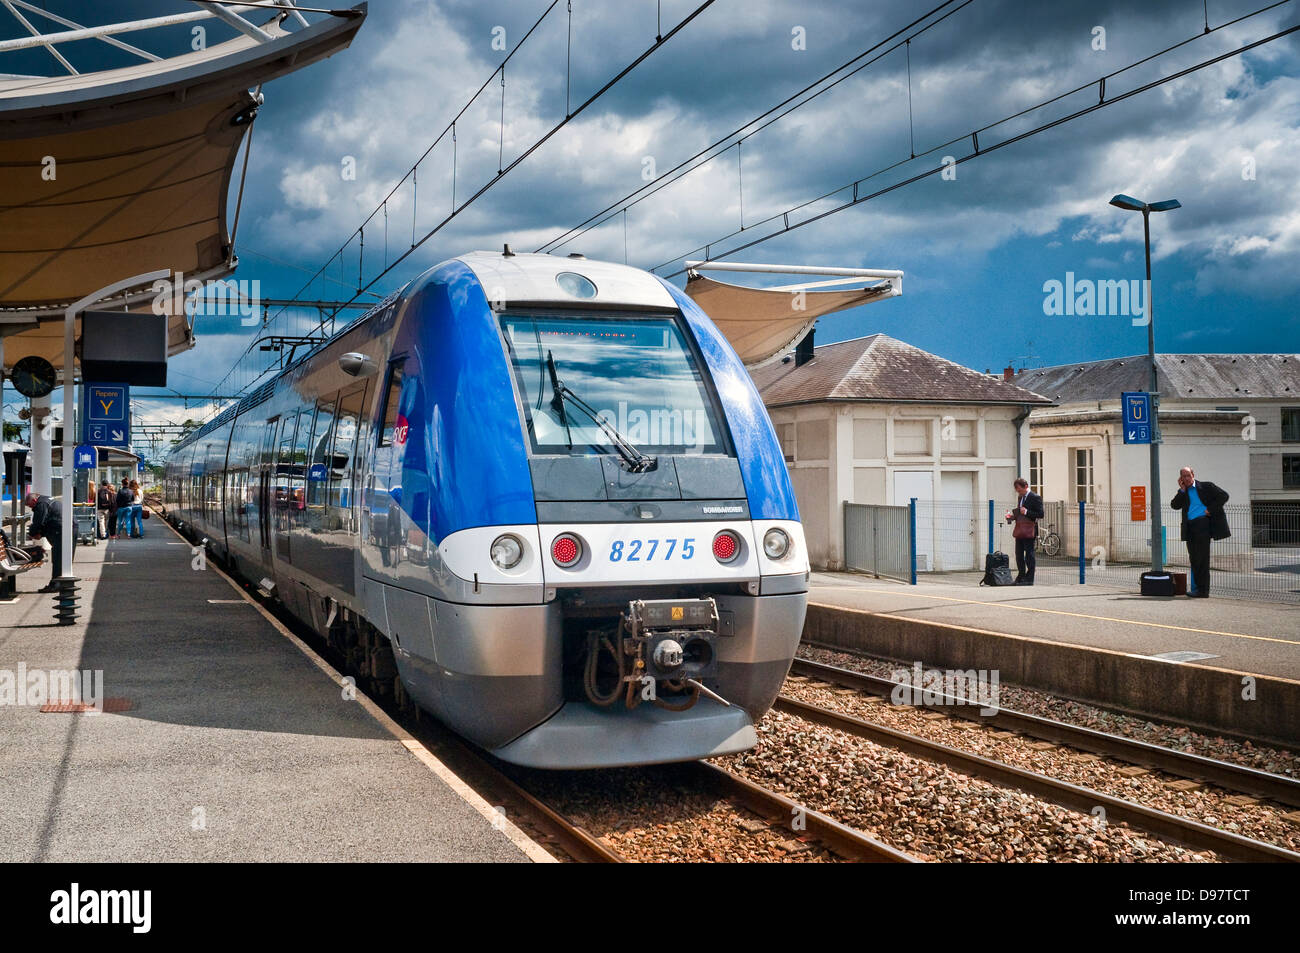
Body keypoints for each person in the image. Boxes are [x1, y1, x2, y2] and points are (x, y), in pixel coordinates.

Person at [1171, 466, 1230, 598]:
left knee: (1203, 559)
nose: (1186, 478)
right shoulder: (1184, 492)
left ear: (1193, 475)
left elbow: (1224, 496)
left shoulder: (1206, 486)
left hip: (1203, 524)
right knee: (1194, 559)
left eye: (1188, 475)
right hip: (1189, 527)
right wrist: (1182, 490)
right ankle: (1198, 589)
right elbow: (1174, 505)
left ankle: (1204, 591)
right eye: (1183, 477)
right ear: (1180, 479)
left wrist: (1210, 509)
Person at [24, 491, 73, 592]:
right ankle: (62, 583)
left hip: (60, 531)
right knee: (64, 559)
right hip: (69, 527)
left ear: (34, 500)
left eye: (30, 505)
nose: (31, 508)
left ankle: (56, 584)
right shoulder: (48, 500)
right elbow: (48, 520)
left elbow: (39, 522)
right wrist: (41, 534)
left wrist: (32, 534)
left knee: (58, 558)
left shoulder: (41, 504)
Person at [1005, 477, 1044, 585]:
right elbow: (1020, 514)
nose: (1019, 492)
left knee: (1029, 554)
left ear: (1026, 487)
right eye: (1017, 490)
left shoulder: (1035, 497)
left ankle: (1029, 579)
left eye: (1020, 490)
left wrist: (1026, 511)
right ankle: (1021, 576)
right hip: (1020, 529)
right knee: (1018, 554)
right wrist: (1012, 517)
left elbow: (1040, 514)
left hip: (1029, 529)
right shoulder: (1020, 498)